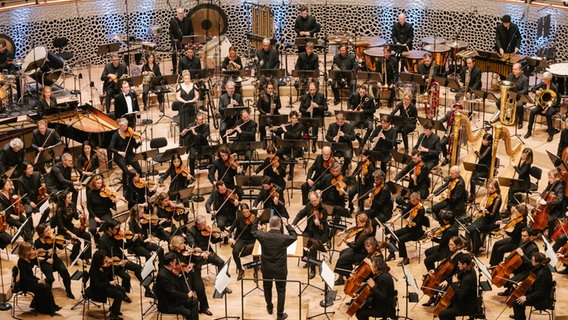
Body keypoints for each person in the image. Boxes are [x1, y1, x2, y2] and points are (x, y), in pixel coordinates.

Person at [252, 211, 297, 320]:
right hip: (280, 269)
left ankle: (269, 307)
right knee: (281, 291)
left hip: (266, 268)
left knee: (267, 287)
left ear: (269, 225)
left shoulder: (263, 236)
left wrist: (257, 216)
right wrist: (287, 224)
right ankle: (279, 315)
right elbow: (294, 236)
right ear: (279, 225)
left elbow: (253, 230)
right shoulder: (283, 238)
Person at [97, 218, 154, 300]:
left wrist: (133, 240)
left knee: (138, 268)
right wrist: (118, 262)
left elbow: (125, 246)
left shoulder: (116, 236)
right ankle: (123, 294)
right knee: (126, 277)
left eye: (119, 228)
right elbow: (104, 258)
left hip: (122, 259)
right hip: (112, 264)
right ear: (109, 229)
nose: (118, 231)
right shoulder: (102, 240)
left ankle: (147, 290)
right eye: (116, 229)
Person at [292, 190, 329, 279]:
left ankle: (313, 270)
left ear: (319, 199)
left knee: (312, 246)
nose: (314, 203)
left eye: (315, 201)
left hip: (320, 233)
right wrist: (294, 223)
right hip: (310, 230)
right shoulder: (309, 206)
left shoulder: (323, 209)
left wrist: (319, 224)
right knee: (300, 241)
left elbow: (323, 227)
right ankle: (308, 259)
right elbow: (300, 214)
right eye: (312, 201)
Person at [16, 242, 61, 315]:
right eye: (30, 249)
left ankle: (44, 307)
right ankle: (49, 308)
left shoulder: (29, 258)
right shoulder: (21, 262)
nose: (33, 250)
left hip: (31, 279)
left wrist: (47, 257)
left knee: (46, 284)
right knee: (45, 287)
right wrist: (37, 281)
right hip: (25, 283)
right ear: (25, 251)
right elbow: (25, 278)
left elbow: (38, 261)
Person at [33, 223, 74, 298]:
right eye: (46, 231)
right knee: (50, 278)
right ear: (41, 234)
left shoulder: (52, 238)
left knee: (64, 271)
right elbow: (36, 256)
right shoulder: (37, 242)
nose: (49, 232)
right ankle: (47, 294)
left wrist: (66, 244)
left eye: (48, 229)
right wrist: (46, 258)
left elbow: (60, 247)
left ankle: (69, 291)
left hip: (54, 259)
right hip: (44, 262)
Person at [155, 252, 199, 320]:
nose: (176, 263)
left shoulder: (168, 270)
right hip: (168, 304)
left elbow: (177, 281)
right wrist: (186, 295)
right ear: (170, 263)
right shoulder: (163, 276)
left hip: (172, 299)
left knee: (194, 301)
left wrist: (186, 272)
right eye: (175, 261)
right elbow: (172, 292)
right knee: (188, 311)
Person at [334, 213, 374, 285]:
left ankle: (342, 279)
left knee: (342, 259)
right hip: (358, 249)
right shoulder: (363, 227)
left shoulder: (365, 233)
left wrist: (345, 241)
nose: (357, 224)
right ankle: (346, 275)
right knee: (342, 252)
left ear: (364, 222)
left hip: (362, 253)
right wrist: (344, 231)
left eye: (358, 222)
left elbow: (355, 246)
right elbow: (354, 228)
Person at [497, 227, 540, 297]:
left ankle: (510, 291)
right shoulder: (522, 242)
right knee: (503, 277)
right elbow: (516, 254)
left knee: (510, 281)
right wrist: (506, 260)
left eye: (525, 236)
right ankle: (510, 290)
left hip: (527, 270)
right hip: (519, 265)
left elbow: (531, 264)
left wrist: (522, 255)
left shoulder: (534, 248)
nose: (522, 238)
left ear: (530, 236)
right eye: (522, 235)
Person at [510, 252, 553, 320]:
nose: (531, 261)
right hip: (539, 293)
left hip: (542, 299)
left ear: (537, 262)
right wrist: (522, 285)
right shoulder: (542, 266)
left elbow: (540, 293)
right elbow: (535, 282)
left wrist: (526, 297)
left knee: (516, 302)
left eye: (532, 260)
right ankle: (519, 315)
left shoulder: (542, 274)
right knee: (519, 295)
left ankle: (520, 317)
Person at [386, 192, 425, 265]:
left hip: (417, 231)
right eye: (411, 200)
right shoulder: (411, 204)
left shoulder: (421, 210)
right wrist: (394, 219)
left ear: (418, 200)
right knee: (393, 234)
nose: (412, 202)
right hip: (409, 227)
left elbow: (416, 224)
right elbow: (403, 212)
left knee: (400, 240)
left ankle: (405, 258)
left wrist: (408, 220)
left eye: (413, 201)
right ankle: (392, 253)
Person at [52, 190, 91, 262]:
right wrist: (71, 234)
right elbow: (61, 226)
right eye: (69, 198)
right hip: (64, 231)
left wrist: (81, 216)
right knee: (77, 242)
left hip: (70, 227)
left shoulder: (71, 205)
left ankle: (87, 257)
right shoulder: (59, 210)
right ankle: (73, 257)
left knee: (87, 236)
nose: (71, 199)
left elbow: (76, 216)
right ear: (64, 200)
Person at [437, 252, 478, 320]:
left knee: (442, 314)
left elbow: (460, 296)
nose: (458, 265)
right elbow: (457, 275)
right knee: (447, 307)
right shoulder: (468, 269)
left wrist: (455, 283)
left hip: (466, 306)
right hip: (465, 300)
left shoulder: (468, 278)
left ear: (464, 264)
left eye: (459, 264)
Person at [88, 250, 126, 320]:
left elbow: (110, 275)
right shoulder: (93, 270)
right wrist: (109, 283)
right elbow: (97, 285)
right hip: (98, 290)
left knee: (123, 290)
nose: (106, 260)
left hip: (105, 285)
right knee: (119, 295)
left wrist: (120, 265)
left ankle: (113, 309)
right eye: (104, 259)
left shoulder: (103, 266)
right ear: (99, 260)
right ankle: (113, 315)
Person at [466, 179, 502, 254]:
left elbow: (492, 214)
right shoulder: (489, 195)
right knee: (469, 228)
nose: (490, 190)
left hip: (492, 220)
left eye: (492, 188)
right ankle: (474, 246)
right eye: (489, 188)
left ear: (496, 188)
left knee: (474, 229)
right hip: (485, 217)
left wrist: (487, 212)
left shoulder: (498, 198)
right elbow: (484, 206)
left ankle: (476, 249)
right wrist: (478, 211)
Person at [355, 256, 396, 320]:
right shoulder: (381, 274)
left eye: (373, 266)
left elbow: (383, 296)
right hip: (381, 303)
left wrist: (373, 286)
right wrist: (361, 293)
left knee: (360, 313)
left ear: (376, 268)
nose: (371, 268)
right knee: (361, 306)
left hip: (383, 308)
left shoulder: (384, 278)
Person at [224, 203, 258, 280]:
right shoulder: (239, 218)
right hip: (242, 239)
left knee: (255, 253)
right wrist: (230, 238)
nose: (246, 214)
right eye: (244, 212)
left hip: (252, 238)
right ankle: (240, 269)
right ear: (241, 212)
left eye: (247, 211)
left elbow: (257, 230)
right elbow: (230, 229)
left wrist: (257, 226)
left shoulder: (254, 218)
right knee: (235, 252)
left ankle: (255, 270)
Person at [525, 71, 561, 141]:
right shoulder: (542, 84)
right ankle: (529, 131)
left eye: (545, 79)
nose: (543, 80)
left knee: (548, 114)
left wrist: (547, 109)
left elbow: (555, 101)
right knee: (533, 111)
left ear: (549, 79)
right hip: (543, 105)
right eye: (543, 79)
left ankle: (551, 134)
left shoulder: (554, 87)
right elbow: (532, 89)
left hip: (553, 106)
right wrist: (536, 91)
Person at [108, 117, 143, 184]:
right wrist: (119, 152)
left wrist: (140, 142)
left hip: (129, 154)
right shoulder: (115, 135)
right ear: (120, 126)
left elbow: (135, 146)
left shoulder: (130, 133)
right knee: (126, 172)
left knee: (139, 169)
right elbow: (110, 148)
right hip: (119, 156)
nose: (126, 127)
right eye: (124, 126)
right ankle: (127, 187)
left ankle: (138, 184)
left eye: (126, 125)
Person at [494, 62, 529, 129]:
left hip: (519, 96)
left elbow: (525, 90)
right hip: (510, 94)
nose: (513, 71)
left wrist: (515, 95)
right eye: (513, 69)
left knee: (519, 105)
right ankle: (504, 114)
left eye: (515, 69)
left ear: (520, 70)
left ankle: (520, 122)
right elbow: (506, 84)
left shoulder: (525, 78)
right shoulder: (510, 75)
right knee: (498, 102)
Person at [274, 110, 305, 180]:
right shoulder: (287, 125)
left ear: (297, 118)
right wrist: (275, 130)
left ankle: (291, 173)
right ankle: (283, 165)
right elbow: (279, 132)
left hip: (296, 147)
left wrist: (285, 130)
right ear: (290, 118)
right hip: (287, 146)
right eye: (292, 118)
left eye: (295, 118)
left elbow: (295, 136)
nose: (294, 119)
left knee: (292, 157)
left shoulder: (300, 126)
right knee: (278, 152)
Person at [299, 81, 328, 152]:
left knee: (315, 123)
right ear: (308, 90)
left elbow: (326, 108)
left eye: (313, 90)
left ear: (316, 89)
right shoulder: (304, 97)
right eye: (310, 90)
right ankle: (306, 143)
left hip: (317, 115)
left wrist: (317, 106)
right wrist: (307, 110)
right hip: (307, 116)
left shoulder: (321, 96)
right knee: (304, 124)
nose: (312, 92)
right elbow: (300, 109)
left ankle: (314, 144)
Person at [536, 169, 565, 234]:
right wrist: (540, 196)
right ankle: (539, 227)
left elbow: (559, 200)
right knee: (534, 210)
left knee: (549, 220)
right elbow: (546, 190)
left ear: (557, 178)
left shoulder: (560, 187)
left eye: (551, 178)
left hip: (556, 209)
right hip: (548, 207)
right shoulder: (550, 182)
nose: (549, 179)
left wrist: (546, 203)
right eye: (549, 177)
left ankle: (550, 234)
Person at [468, 133, 493, 202]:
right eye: (483, 140)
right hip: (479, 166)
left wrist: (475, 150)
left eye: (486, 140)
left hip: (485, 169)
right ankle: (472, 192)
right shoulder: (481, 145)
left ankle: (472, 195)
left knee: (472, 178)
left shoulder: (489, 148)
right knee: (471, 175)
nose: (484, 142)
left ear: (489, 141)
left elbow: (481, 157)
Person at [169, 7, 194, 73]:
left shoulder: (188, 20)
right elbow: (171, 33)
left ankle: (188, 67)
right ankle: (175, 69)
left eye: (182, 13)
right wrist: (174, 40)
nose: (181, 15)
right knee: (174, 54)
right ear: (177, 14)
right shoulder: (173, 22)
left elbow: (192, 31)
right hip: (177, 42)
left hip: (186, 42)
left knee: (190, 52)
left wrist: (190, 39)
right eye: (179, 13)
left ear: (184, 13)